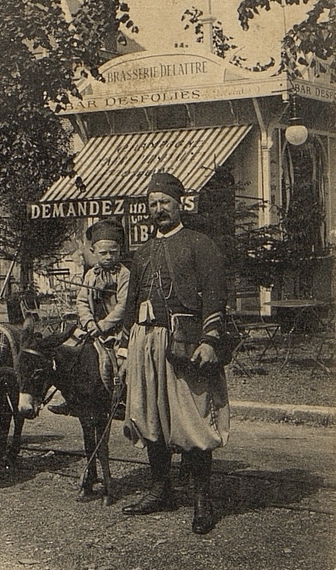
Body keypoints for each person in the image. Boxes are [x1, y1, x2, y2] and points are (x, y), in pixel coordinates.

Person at [118, 172, 229, 535]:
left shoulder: (200, 244)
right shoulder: (143, 252)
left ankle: (202, 500)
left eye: (164, 202)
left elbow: (215, 295)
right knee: (149, 418)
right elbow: (131, 302)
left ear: (180, 204)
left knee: (191, 421)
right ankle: (160, 490)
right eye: (152, 204)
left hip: (184, 343)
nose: (158, 209)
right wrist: (124, 348)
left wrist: (210, 340)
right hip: (143, 342)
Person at [49, 219, 130, 418]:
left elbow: (123, 306)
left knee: (119, 361)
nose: (109, 257)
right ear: (93, 251)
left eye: (113, 252)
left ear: (120, 251)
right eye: (103, 253)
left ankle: (120, 399)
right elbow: (82, 302)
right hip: (92, 327)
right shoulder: (90, 275)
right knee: (68, 352)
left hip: (117, 330)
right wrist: (89, 322)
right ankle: (70, 397)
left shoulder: (124, 275)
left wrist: (102, 326)